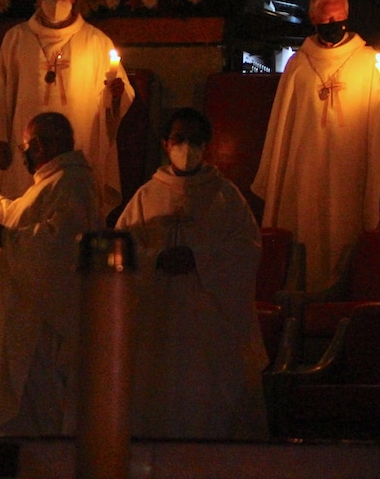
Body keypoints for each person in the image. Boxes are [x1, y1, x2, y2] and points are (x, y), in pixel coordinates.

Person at [115, 108, 268, 440]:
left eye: (195, 140)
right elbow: (123, 248)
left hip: (208, 322)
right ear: (165, 144)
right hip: (157, 319)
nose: (187, 147)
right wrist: (156, 259)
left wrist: (198, 259)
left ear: (207, 145)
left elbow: (246, 249)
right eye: (180, 138)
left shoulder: (226, 197)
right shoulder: (146, 196)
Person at [0, 111, 100, 436]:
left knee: (35, 416)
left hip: (40, 330)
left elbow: (64, 243)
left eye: (25, 146)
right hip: (25, 322)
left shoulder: (72, 182)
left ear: (37, 146)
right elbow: (15, 214)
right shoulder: (53, 183)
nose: (25, 153)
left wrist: (9, 239)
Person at [252, 0, 380, 291]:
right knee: (306, 222)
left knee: (345, 223)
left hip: (350, 163)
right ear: (314, 20)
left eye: (338, 19)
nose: (332, 25)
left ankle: (345, 287)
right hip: (305, 166)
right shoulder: (300, 64)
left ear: (347, 18)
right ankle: (301, 288)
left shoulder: (368, 61)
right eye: (325, 19)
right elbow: (283, 123)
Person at [0, 0, 133, 212]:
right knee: (24, 212)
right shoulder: (17, 38)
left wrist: (114, 96)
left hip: (80, 145)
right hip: (25, 146)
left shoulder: (97, 41)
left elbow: (115, 103)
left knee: (73, 212)